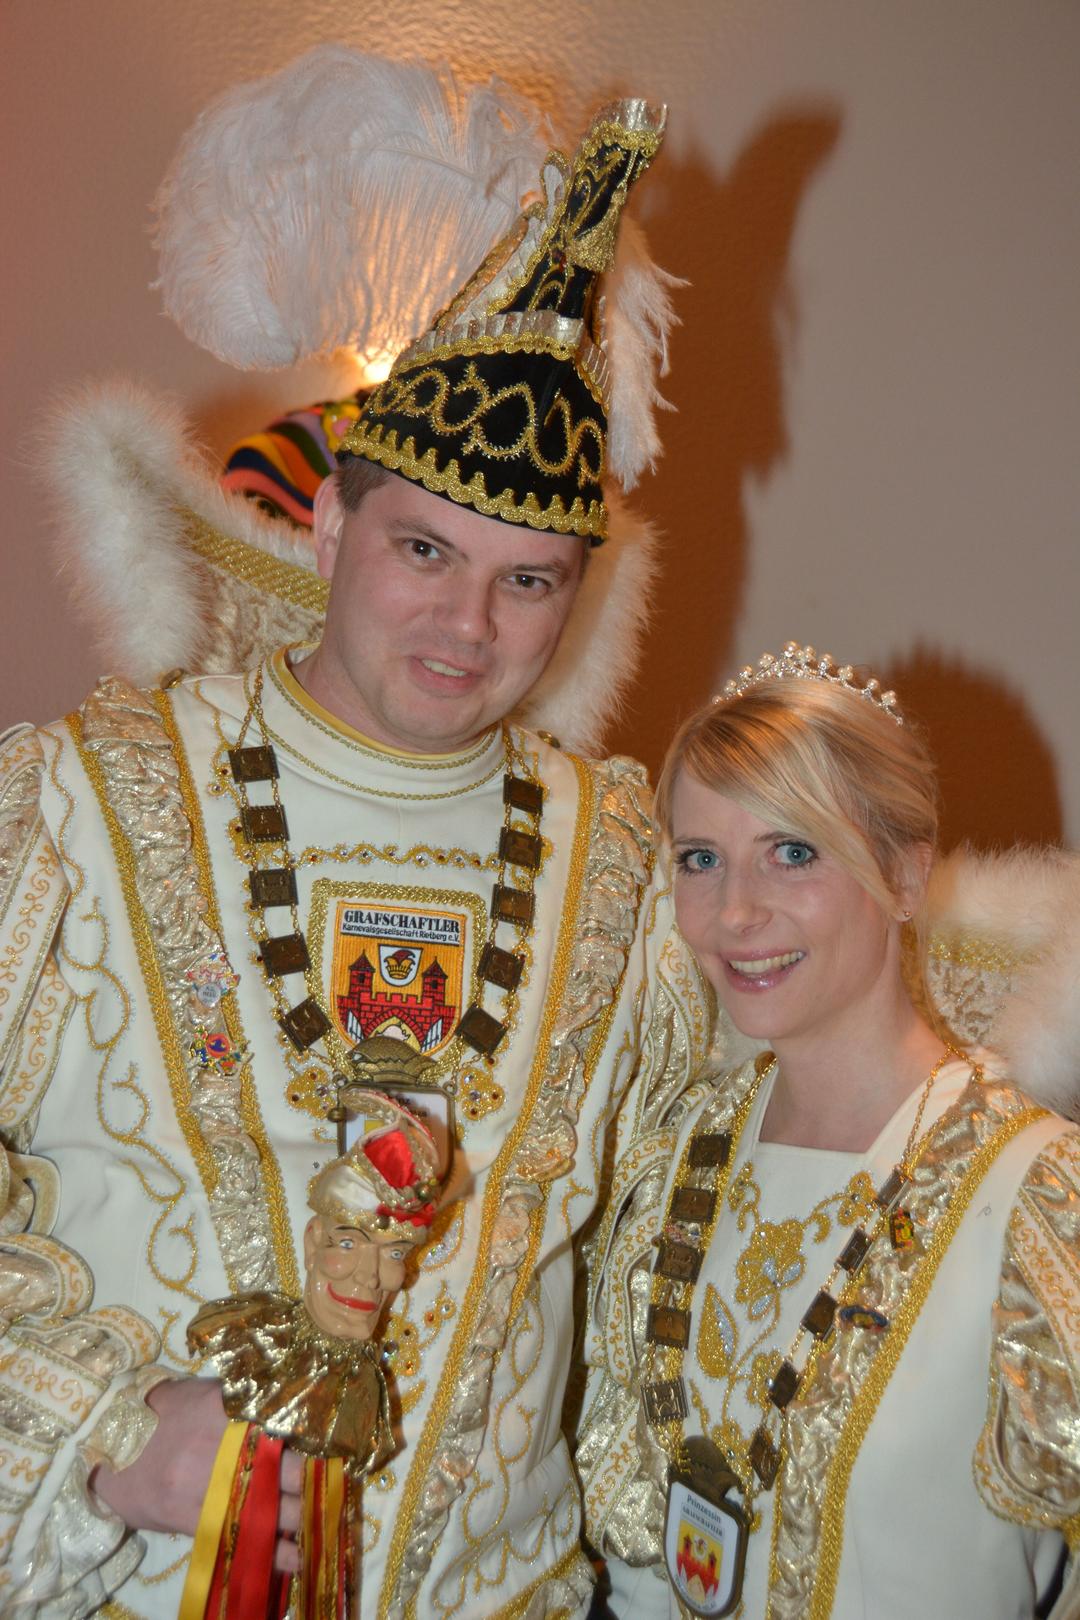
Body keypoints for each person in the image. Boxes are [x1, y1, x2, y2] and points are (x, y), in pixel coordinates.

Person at [0, 53, 709, 1619]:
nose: (469, 626)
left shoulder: (628, 868)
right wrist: (97, 1438)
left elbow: (684, 1248)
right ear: (329, 524)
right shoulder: (74, 803)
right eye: (424, 552)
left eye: (530, 581)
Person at [579, 643, 1080, 1618]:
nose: (736, 911)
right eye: (701, 859)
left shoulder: (1033, 1196)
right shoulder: (675, 1157)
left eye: (793, 852)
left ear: (904, 875)